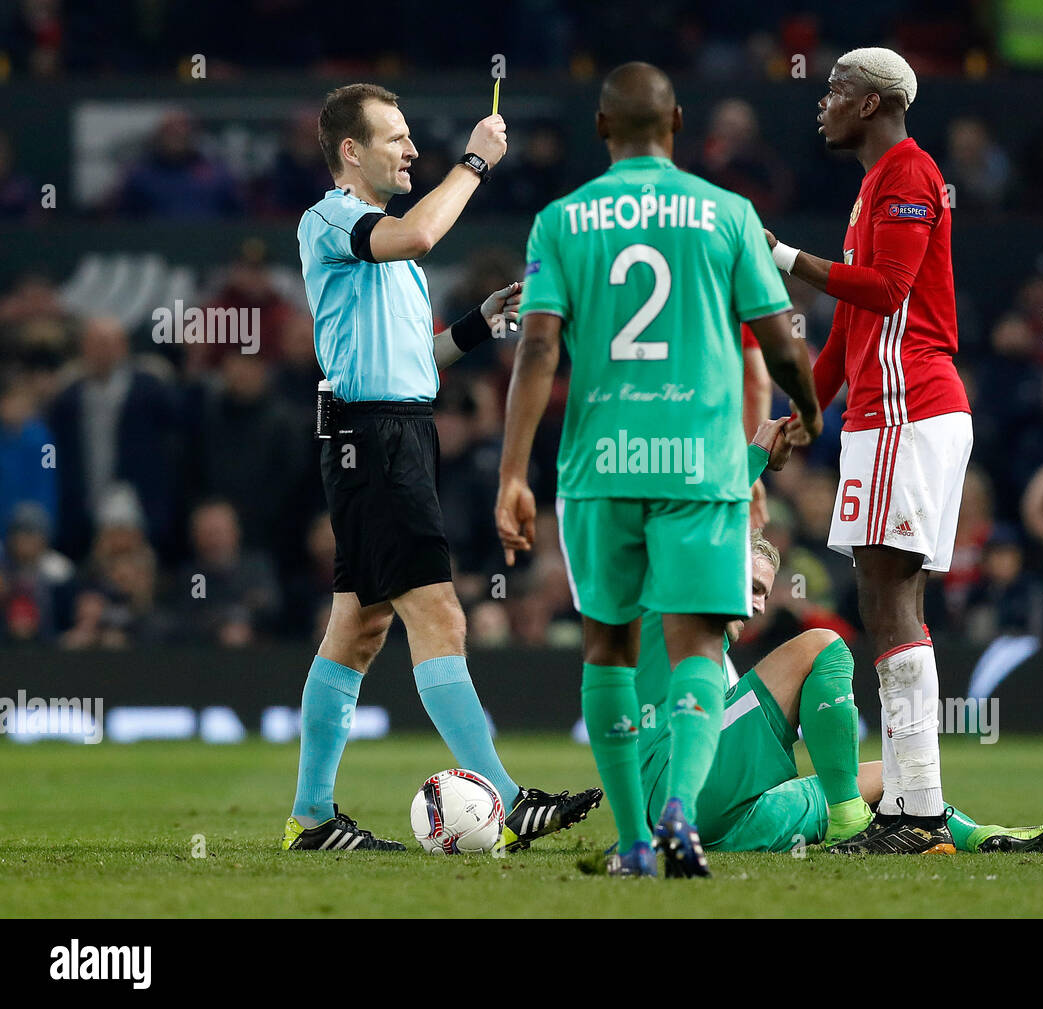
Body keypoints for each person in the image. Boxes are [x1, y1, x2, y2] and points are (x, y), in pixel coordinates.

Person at [496, 62, 822, 878]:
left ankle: (636, 840)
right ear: (678, 122)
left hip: (599, 467)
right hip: (701, 469)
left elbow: (535, 348)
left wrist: (512, 473)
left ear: (602, 129)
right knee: (696, 650)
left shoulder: (561, 222)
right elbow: (779, 335)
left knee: (606, 649)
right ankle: (683, 807)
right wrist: (808, 406)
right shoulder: (728, 215)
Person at [283, 83, 601, 853]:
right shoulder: (331, 219)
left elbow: (415, 364)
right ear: (350, 152)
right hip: (373, 442)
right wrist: (476, 163)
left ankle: (312, 817)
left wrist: (479, 323)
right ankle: (511, 798)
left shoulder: (386, 245)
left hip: (395, 433)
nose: (412, 151)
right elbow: (424, 235)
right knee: (441, 615)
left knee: (358, 630)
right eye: (395, 138)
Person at [618, 419, 1043, 868]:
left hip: (726, 826)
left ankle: (986, 836)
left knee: (895, 781)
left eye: (766, 592)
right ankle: (849, 821)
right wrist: (758, 454)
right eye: (752, 588)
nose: (759, 605)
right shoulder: (669, 611)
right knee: (822, 645)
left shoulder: (716, 665)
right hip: (681, 792)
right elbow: (698, 522)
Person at [767, 48, 972, 854]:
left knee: (892, 599)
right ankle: (912, 807)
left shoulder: (910, 174)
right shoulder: (875, 186)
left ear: (875, 101)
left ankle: (917, 811)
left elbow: (886, 291)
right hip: (884, 414)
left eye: (837, 88)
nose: (824, 101)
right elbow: (857, 321)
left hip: (907, 408)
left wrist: (784, 257)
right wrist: (805, 406)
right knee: (882, 598)